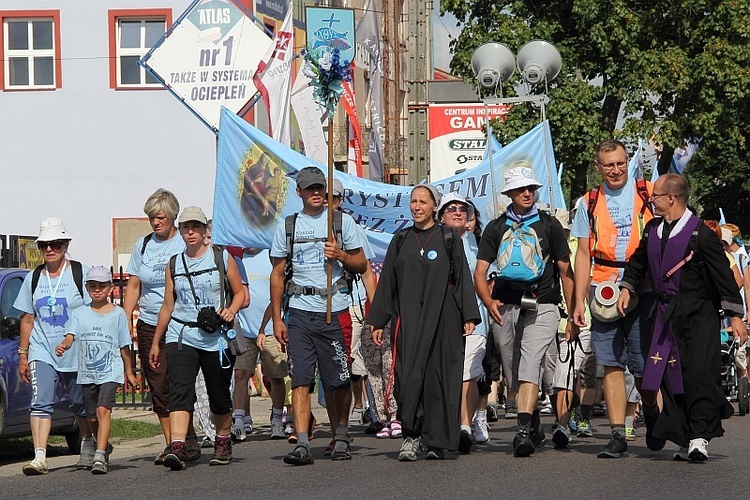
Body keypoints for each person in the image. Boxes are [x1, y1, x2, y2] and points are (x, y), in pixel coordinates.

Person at [617, 173, 747, 460]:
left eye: (656, 196)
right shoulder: (652, 229)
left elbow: (723, 277)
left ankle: (700, 436)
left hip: (699, 316)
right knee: (668, 377)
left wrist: (735, 317)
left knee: (699, 374)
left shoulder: (700, 234)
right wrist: (627, 287)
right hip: (663, 315)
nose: (652, 200)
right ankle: (682, 434)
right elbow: (638, 262)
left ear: (671, 198)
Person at [367, 184, 481, 461]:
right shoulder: (401, 240)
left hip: (443, 319)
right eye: (413, 202)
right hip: (410, 321)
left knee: (439, 379)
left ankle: (436, 441)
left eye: (423, 202)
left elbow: (462, 278)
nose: (417, 207)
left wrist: (468, 314)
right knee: (408, 379)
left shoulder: (448, 238)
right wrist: (379, 320)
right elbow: (388, 285)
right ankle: (412, 436)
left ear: (434, 207)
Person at [474, 168, 577, 457]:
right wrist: (488, 300)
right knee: (512, 369)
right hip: (505, 305)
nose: (527, 193)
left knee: (529, 363)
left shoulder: (550, 224)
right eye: (520, 189)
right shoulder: (494, 228)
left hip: (543, 304)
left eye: (530, 187)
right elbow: (480, 271)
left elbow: (565, 271)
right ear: (509, 193)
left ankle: (521, 434)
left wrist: (572, 312)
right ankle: (533, 425)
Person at [270, 166, 367, 465]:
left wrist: (340, 256)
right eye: (309, 188)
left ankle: (340, 434)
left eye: (320, 188)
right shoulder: (288, 226)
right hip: (300, 312)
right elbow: (277, 274)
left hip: (334, 310)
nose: (316, 193)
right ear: (298, 192)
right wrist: (277, 318)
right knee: (300, 379)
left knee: (338, 379)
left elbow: (361, 263)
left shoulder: (341, 222)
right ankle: (301, 443)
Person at [570, 139, 658, 459]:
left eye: (620, 163)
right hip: (603, 288)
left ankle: (650, 410)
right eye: (609, 165)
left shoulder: (649, 193)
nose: (616, 169)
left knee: (643, 365)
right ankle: (618, 434)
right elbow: (582, 254)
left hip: (643, 288)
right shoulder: (588, 202)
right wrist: (578, 302)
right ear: (599, 168)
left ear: (627, 163)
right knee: (609, 363)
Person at [149, 206, 246, 470]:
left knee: (218, 394)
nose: (190, 232)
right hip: (182, 334)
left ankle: (223, 439)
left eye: (196, 227)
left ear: (205, 231)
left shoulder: (221, 258)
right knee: (180, 390)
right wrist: (157, 341)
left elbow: (240, 294)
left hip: (215, 337)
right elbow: (168, 305)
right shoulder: (174, 264)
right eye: (185, 228)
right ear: (180, 231)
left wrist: (231, 309)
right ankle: (178, 445)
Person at [123, 188, 202, 464]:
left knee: (178, 382)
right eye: (151, 219)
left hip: (179, 323)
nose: (155, 223)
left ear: (172, 217)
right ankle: (172, 444)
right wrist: (126, 316)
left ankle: (186, 441)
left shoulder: (182, 244)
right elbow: (134, 284)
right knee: (157, 384)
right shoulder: (143, 246)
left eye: (160, 218)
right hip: (148, 323)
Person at [14, 217, 93, 475]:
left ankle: (89, 441)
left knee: (80, 404)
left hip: (75, 349)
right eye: (45, 245)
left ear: (66, 244)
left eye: (56, 244)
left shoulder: (80, 272)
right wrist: (23, 355)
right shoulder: (34, 277)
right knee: (40, 401)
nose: (50, 249)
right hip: (42, 348)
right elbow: (28, 318)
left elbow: (96, 311)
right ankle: (39, 457)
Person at [55, 267, 137, 474]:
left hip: (110, 371)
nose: (97, 290)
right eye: (93, 286)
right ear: (87, 288)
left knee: (103, 410)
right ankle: (103, 443)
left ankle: (100, 454)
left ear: (110, 288)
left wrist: (129, 371)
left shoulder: (118, 314)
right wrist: (65, 344)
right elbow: (70, 334)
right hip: (87, 372)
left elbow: (125, 345)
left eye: (102, 286)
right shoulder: (80, 313)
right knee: (91, 417)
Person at [437, 193, 489, 453]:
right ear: (441, 215)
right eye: (451, 208)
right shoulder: (432, 243)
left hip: (475, 320)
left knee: (468, 372)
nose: (457, 212)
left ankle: (465, 426)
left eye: (462, 209)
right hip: (442, 320)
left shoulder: (479, 243)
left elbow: (488, 280)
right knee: (447, 373)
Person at [234, 248, 289, 441]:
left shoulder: (270, 256)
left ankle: (276, 420)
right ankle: (240, 422)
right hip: (245, 331)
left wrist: (268, 326)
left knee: (275, 376)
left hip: (270, 329)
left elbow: (279, 293)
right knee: (240, 374)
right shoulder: (237, 259)